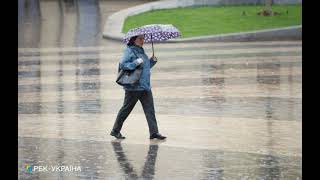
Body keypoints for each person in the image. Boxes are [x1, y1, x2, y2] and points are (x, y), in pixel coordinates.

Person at [110, 34, 166, 140]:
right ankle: (115, 130)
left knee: (150, 110)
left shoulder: (141, 51)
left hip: (145, 87)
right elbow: (123, 64)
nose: (142, 40)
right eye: (140, 38)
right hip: (134, 87)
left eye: (143, 38)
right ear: (133, 40)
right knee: (126, 109)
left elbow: (144, 68)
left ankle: (154, 132)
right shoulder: (129, 51)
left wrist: (152, 62)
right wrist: (135, 62)